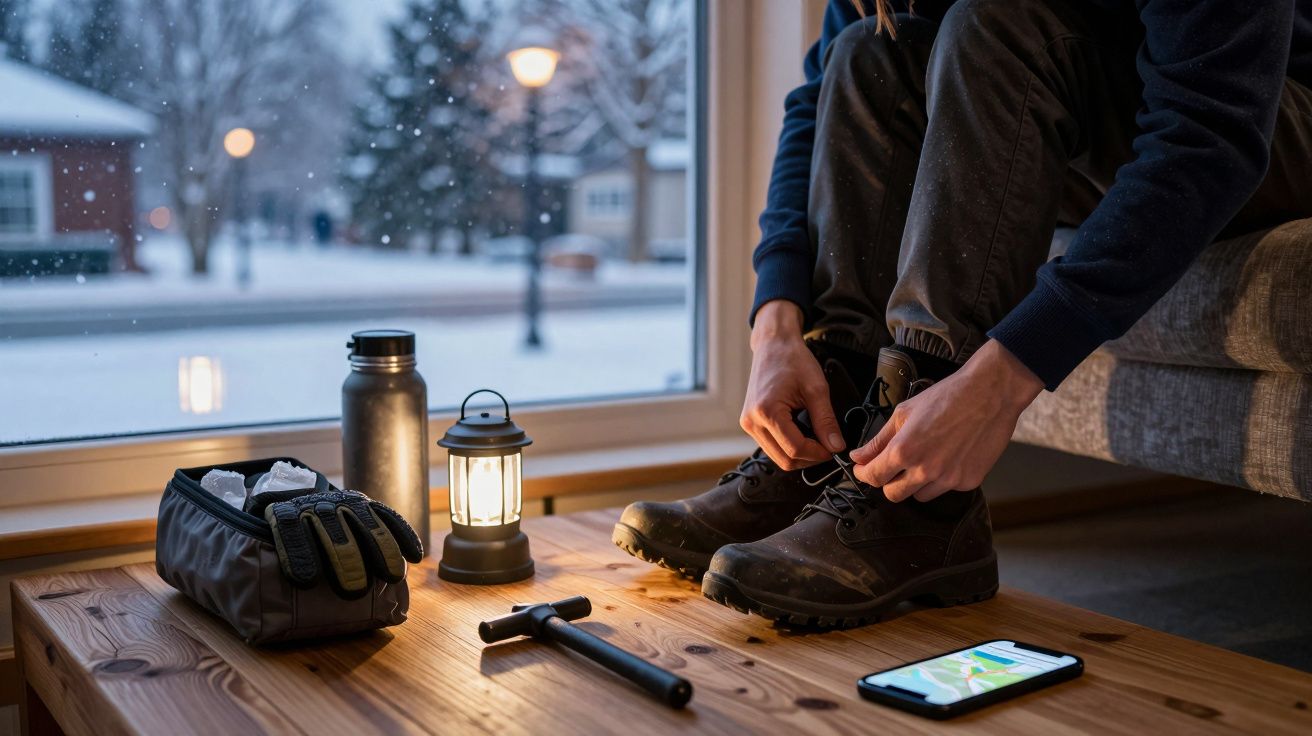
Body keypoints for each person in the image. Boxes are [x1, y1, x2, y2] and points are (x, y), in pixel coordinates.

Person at [615, 0, 1312, 627]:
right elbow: (823, 95)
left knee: (997, 20)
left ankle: (922, 503)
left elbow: (1211, 136)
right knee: (871, 52)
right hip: (1100, 116)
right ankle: (834, 447)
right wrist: (777, 324)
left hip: (1270, 114)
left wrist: (1002, 378)